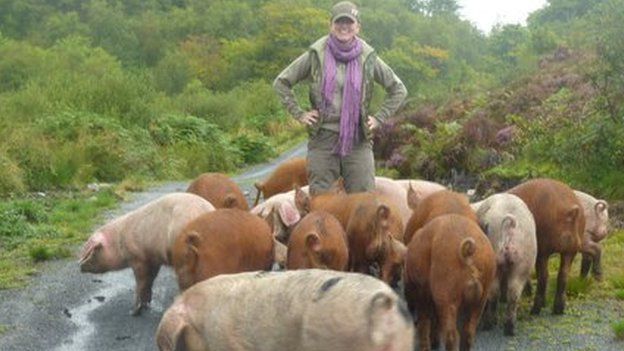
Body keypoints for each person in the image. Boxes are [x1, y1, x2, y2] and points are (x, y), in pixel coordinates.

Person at [273, 1, 407, 195]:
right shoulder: (316, 55)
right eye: (339, 22)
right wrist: (299, 113)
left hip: (358, 139)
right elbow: (281, 82)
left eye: (349, 22)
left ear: (357, 26)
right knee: (322, 202)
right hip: (323, 138)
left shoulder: (368, 57)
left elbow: (398, 89)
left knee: (363, 202)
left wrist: (379, 118)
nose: (344, 26)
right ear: (331, 25)